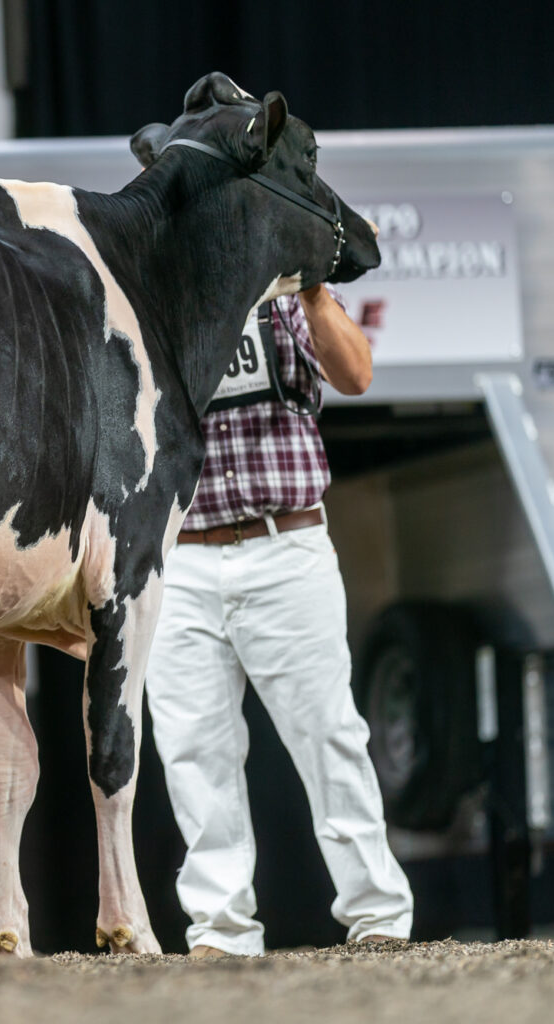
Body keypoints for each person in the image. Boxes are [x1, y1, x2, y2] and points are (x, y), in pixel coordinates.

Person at [145, 285, 413, 958]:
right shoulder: (156, 292)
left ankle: (379, 914)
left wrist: (314, 289)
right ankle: (221, 929)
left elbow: (356, 374)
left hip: (285, 543)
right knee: (192, 748)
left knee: (329, 734)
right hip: (180, 557)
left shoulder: (287, 291)